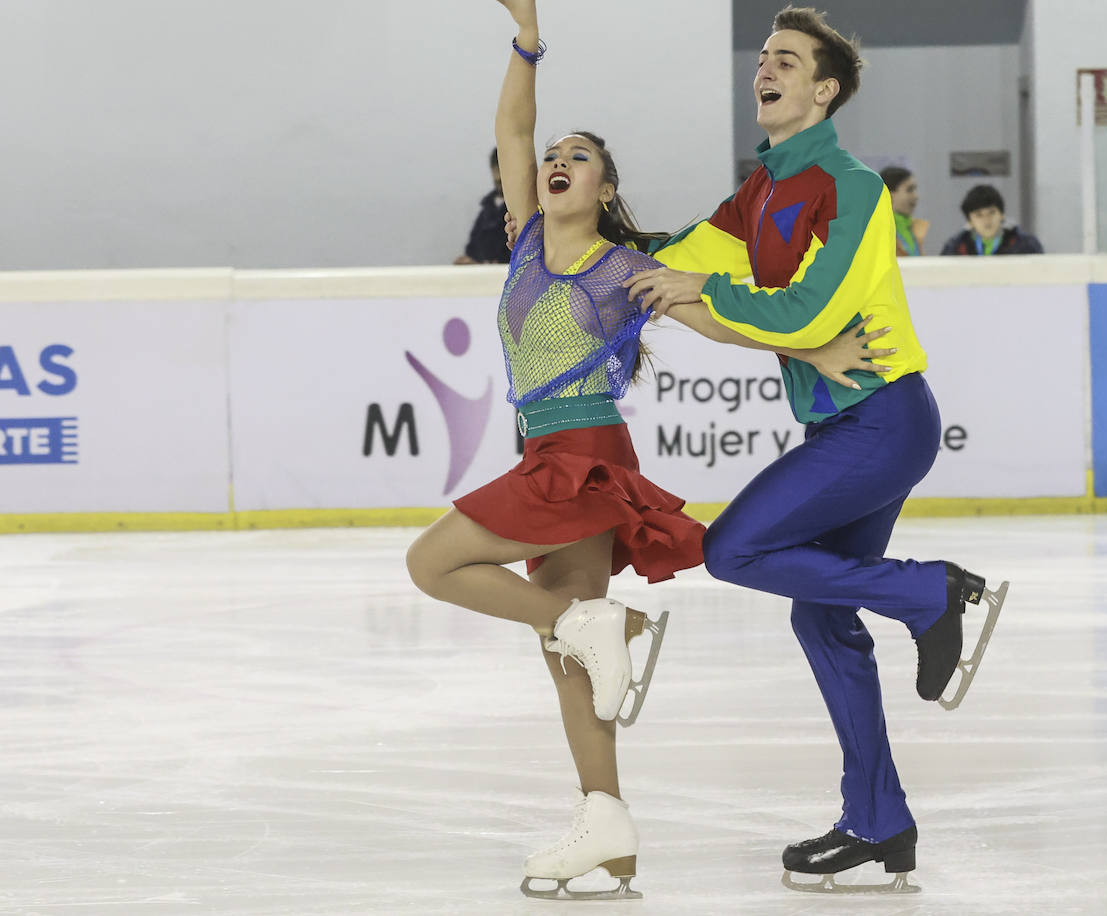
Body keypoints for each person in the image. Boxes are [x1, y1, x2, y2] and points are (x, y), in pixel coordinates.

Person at [408, 0, 882, 900]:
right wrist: (527, 40)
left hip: (583, 451)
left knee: (433, 563)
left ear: (606, 189)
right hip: (548, 449)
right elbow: (513, 127)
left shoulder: (626, 269)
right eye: (554, 155)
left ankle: (591, 626)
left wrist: (815, 348)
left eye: (579, 156)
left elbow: (714, 317)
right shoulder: (523, 243)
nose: (557, 160)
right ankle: (607, 826)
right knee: (568, 654)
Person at [621, 5, 1010, 894]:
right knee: (820, 616)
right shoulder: (758, 191)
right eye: (764, 56)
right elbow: (679, 261)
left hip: (883, 419)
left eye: (787, 60)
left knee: (734, 548)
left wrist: (699, 286)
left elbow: (810, 311)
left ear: (825, 90)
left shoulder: (852, 187)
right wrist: (593, 244)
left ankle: (929, 590)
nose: (765, 68)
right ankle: (879, 822)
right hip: (841, 425)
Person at [939, 184, 1044, 255]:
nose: (987, 220)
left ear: (1002, 215)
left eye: (992, 212)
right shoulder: (954, 247)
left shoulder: (1026, 245)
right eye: (979, 215)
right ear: (970, 221)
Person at [454, 147, 513, 265]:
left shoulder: (521, 207)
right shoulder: (487, 206)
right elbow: (473, 246)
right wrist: (472, 261)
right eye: (496, 170)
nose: (498, 177)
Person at [880, 166, 928, 256]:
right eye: (910, 190)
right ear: (889, 195)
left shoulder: (915, 228)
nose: (916, 196)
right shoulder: (878, 230)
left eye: (915, 190)